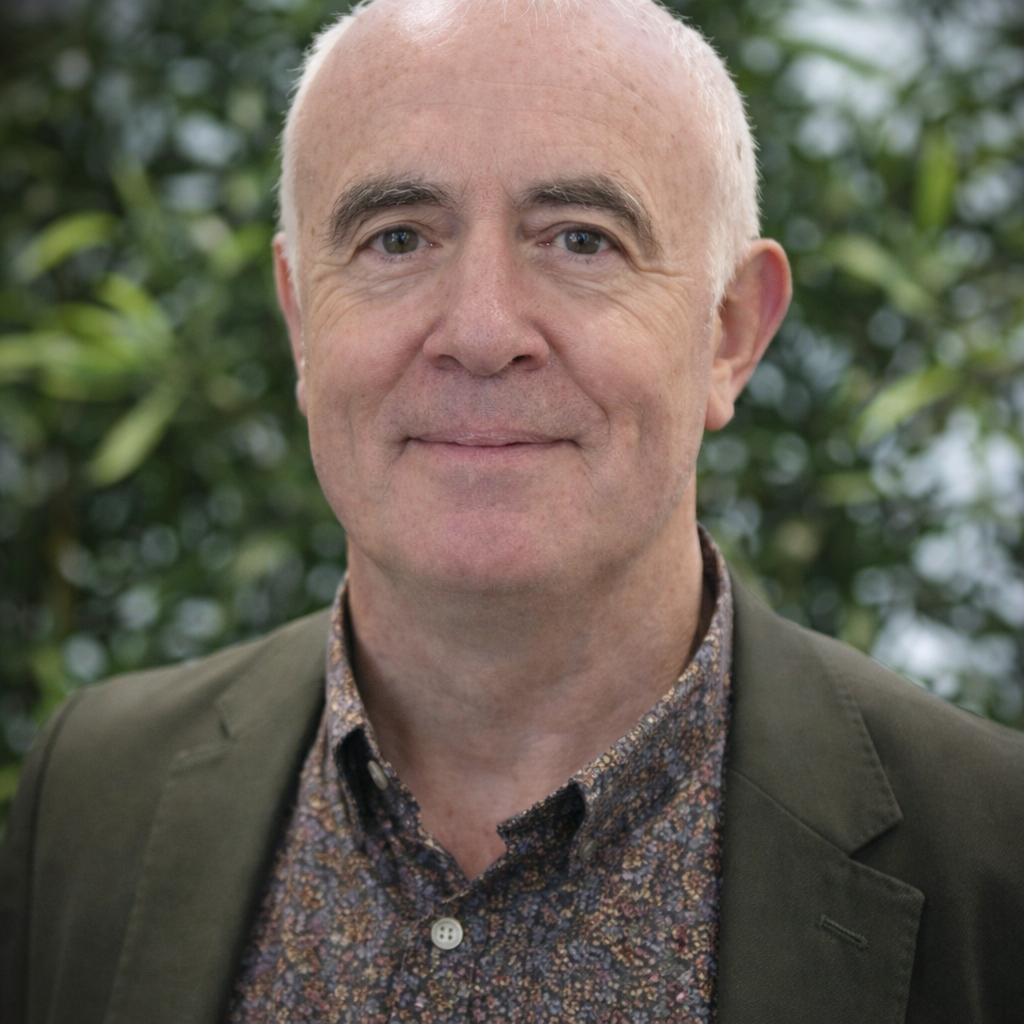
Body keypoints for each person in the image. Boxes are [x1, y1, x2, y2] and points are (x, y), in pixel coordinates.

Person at [2, 0, 1022, 1020]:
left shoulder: (993, 852)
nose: (482, 332)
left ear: (730, 332)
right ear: (301, 321)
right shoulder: (93, 798)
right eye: (397, 239)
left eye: (581, 240)